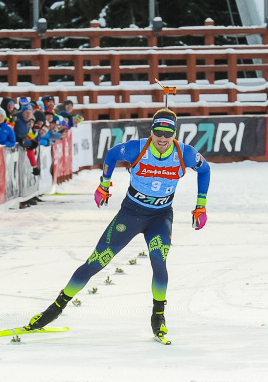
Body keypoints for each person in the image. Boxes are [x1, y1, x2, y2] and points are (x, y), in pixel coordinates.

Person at [23, 109, 211, 343]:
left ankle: (158, 316)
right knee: (97, 261)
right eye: (158, 132)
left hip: (160, 217)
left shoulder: (186, 153)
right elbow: (111, 155)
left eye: (168, 133)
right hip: (131, 214)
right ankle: (54, 309)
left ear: (175, 133)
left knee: (158, 261)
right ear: (151, 131)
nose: (163, 138)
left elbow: (205, 169)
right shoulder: (137, 148)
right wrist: (104, 184)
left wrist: (200, 206)